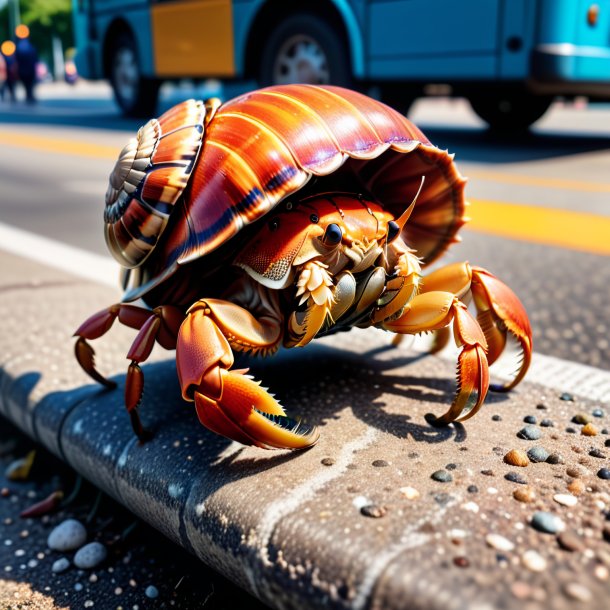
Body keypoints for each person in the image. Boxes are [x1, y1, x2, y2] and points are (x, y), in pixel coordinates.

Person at [15, 25, 38, 104]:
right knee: (30, 83)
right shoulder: (30, 46)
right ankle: (30, 95)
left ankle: (29, 95)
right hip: (29, 68)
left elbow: (16, 59)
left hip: (23, 69)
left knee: (27, 83)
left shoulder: (18, 46)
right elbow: (35, 57)